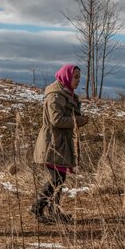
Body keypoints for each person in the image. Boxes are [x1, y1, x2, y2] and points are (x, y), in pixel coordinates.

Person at [32, 64, 89, 224]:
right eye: (75, 77)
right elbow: (56, 120)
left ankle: (55, 211)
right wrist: (78, 120)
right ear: (66, 77)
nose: (78, 80)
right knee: (56, 179)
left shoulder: (66, 94)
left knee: (59, 178)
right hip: (52, 143)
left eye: (79, 77)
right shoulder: (55, 95)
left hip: (60, 144)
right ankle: (37, 207)